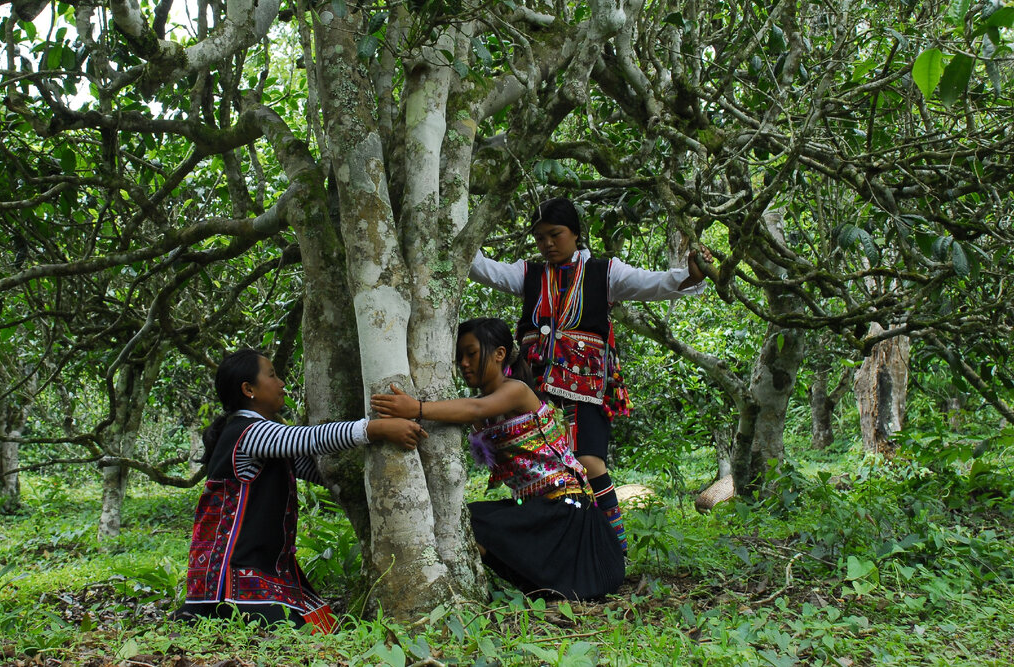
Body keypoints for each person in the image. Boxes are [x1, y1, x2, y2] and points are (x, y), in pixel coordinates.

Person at [469, 197, 712, 550]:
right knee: (541, 468)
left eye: (555, 235)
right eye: (540, 238)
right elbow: (483, 267)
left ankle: (615, 547)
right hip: (536, 392)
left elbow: (654, 283)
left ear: (575, 234)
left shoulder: (604, 272)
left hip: (588, 389)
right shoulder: (529, 275)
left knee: (588, 462)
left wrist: (691, 274)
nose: (548, 244)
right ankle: (558, 546)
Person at [372, 318, 624, 600]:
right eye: (459, 357)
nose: (463, 364)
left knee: (471, 523)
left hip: (566, 511)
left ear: (499, 354)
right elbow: (469, 408)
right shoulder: (484, 403)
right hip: (537, 510)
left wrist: (417, 408)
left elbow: (475, 407)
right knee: (464, 518)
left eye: (471, 353)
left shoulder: (516, 390)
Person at [177, 349, 425, 632]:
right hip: (230, 576)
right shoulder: (248, 433)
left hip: (262, 569)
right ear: (248, 389)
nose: (281, 383)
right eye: (272, 376)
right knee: (306, 631)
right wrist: (377, 429)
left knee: (325, 624)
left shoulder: (262, 436)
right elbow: (308, 439)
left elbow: (321, 472)